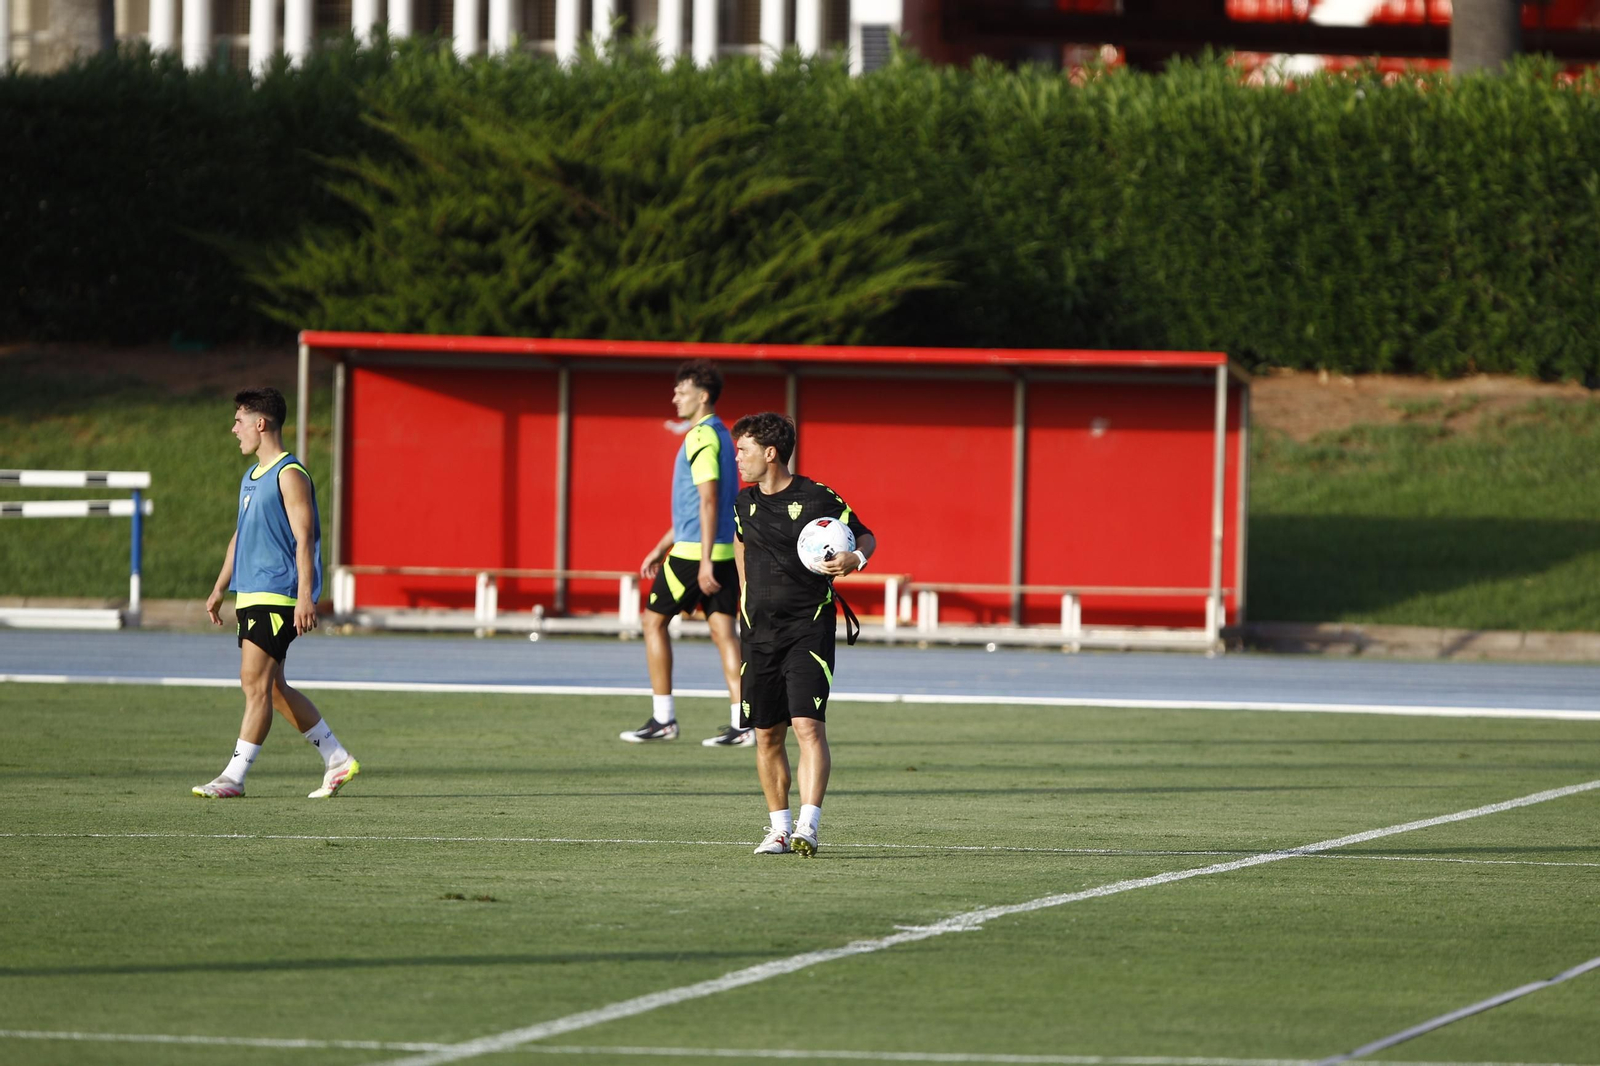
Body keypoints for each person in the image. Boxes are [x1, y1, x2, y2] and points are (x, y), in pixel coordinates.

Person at [193, 387, 361, 800]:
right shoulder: (251, 477)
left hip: (277, 595)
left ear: (260, 423)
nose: (234, 429)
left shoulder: (289, 473)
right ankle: (337, 758)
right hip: (251, 593)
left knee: (253, 682)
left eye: (239, 420)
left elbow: (305, 539)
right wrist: (219, 588)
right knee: (270, 687)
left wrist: (306, 596)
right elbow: (240, 536)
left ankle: (233, 777)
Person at [732, 413, 875, 857]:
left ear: (770, 453)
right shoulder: (743, 503)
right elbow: (741, 544)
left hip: (807, 628)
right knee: (767, 734)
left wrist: (855, 559)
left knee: (807, 726)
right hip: (758, 634)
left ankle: (808, 827)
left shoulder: (817, 498)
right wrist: (745, 598)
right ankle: (778, 829)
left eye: (744, 450)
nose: (738, 458)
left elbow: (866, 536)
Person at [622, 360, 748, 747]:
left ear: (703, 395)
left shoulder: (699, 437)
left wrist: (702, 559)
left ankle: (663, 719)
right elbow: (702, 503)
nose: (674, 396)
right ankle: (744, 724)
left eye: (682, 390)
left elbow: (709, 500)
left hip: (696, 555)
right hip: (720, 549)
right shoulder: (724, 435)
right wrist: (662, 545)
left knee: (652, 623)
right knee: (725, 634)